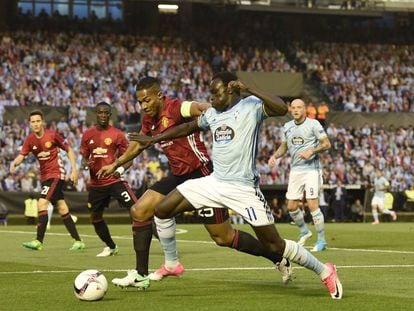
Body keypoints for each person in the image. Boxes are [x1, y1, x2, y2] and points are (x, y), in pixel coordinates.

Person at [131, 72, 343, 299]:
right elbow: (188, 128)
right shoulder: (212, 114)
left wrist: (250, 88)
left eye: (216, 92)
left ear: (232, 90)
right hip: (215, 182)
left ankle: (325, 270)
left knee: (274, 245)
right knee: (162, 209)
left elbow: (281, 109)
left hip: (243, 189)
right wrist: (154, 140)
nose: (211, 99)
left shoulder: (251, 106)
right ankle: (172, 263)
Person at [98, 77, 291, 289]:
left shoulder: (176, 107)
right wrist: (116, 164)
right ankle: (142, 274)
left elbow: (200, 107)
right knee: (140, 210)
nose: (143, 106)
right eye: (140, 102)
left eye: (147, 101)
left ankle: (277, 257)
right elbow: (138, 146)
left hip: (202, 174)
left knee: (223, 237)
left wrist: (221, 111)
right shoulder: (149, 120)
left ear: (159, 96)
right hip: (179, 175)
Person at [9, 110, 85, 251]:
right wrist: (14, 163)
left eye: (38, 121)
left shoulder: (53, 135)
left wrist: (74, 170)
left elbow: (69, 150)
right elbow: (22, 155)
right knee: (62, 208)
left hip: (56, 174)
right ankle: (78, 241)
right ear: (30, 124)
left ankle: (38, 241)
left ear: (42, 122)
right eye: (33, 122)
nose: (36, 124)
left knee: (42, 203)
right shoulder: (30, 140)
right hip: (45, 177)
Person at [269, 99, 331, 252]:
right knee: (291, 207)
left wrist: (312, 151)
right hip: (296, 170)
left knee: (312, 204)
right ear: (290, 110)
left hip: (311, 170)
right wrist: (275, 156)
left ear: (304, 110)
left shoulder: (314, 124)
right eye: (293, 108)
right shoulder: (287, 126)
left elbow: (326, 144)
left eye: (299, 108)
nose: (296, 110)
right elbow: (284, 147)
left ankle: (322, 240)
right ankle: (304, 231)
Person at [80, 101, 137, 257]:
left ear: (110, 115)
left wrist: (119, 169)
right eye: (100, 112)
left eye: (106, 113)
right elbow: (84, 158)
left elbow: (129, 158)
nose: (103, 115)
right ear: (96, 114)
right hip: (96, 185)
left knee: (137, 210)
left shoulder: (118, 134)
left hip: (114, 181)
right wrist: (85, 164)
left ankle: (164, 243)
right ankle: (111, 247)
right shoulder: (87, 134)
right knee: (95, 218)